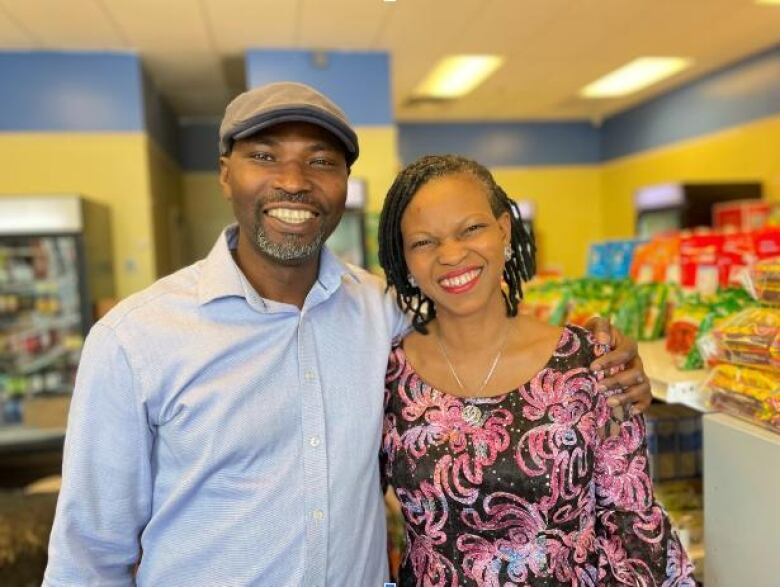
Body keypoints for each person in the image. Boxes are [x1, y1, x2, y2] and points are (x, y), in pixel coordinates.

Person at [43, 83, 652, 586]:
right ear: (225, 173)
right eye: (264, 155)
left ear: (343, 186)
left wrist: (610, 352)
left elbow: (485, 329)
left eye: (320, 161)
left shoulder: (381, 312)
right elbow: (88, 553)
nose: (294, 181)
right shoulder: (135, 340)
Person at [378, 155, 694, 586]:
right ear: (405, 260)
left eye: (471, 228)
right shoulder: (387, 372)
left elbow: (632, 521)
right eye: (424, 242)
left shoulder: (589, 362)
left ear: (504, 230)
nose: (451, 254)